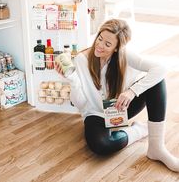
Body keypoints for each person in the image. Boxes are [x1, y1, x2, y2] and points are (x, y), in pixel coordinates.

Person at [55, 18, 179, 172]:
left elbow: (160, 68)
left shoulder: (123, 55)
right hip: (95, 114)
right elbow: (80, 104)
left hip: (119, 108)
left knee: (157, 81)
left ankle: (156, 148)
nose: (99, 46)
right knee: (101, 145)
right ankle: (140, 130)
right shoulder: (81, 60)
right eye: (100, 38)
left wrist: (131, 91)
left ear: (116, 48)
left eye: (107, 44)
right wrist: (72, 79)